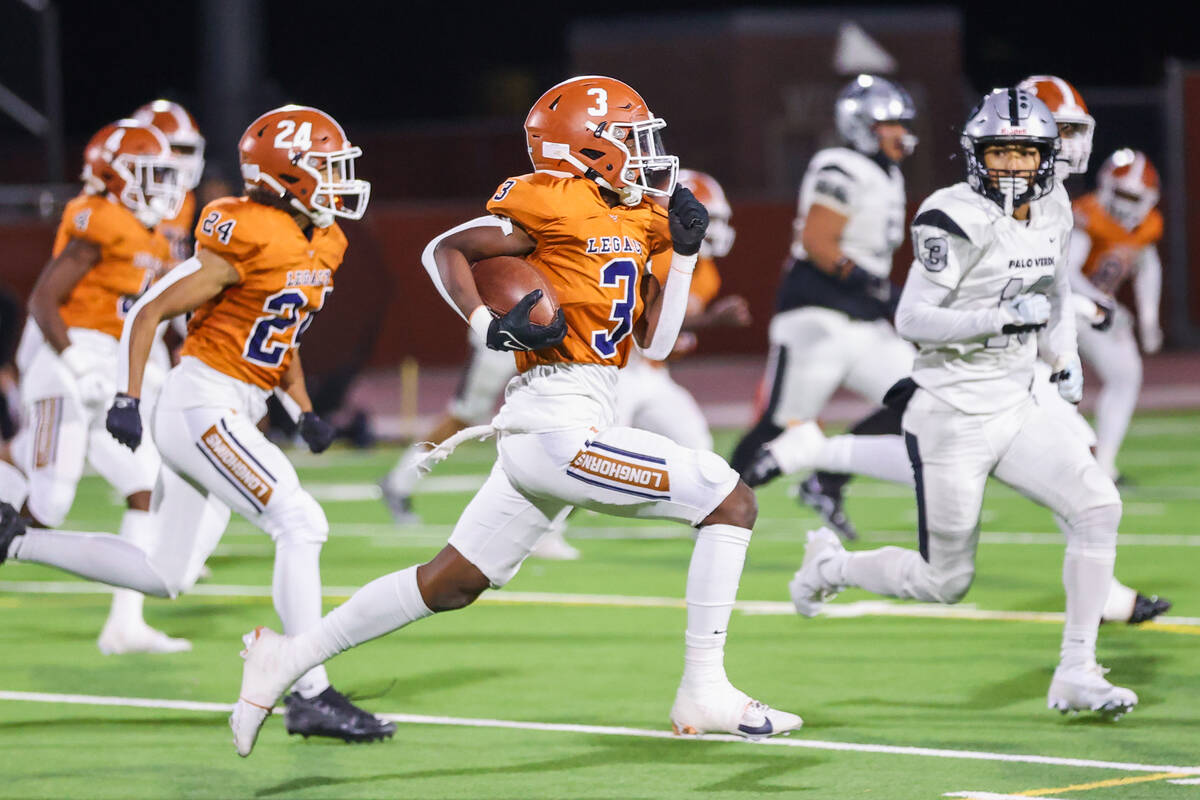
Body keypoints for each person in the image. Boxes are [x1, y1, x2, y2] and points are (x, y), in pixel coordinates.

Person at [229, 76, 801, 757]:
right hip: (557, 425)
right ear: (587, 147)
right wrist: (482, 324)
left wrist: (679, 257)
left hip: (567, 419)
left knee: (450, 581)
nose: (645, 151)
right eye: (629, 136)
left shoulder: (640, 214)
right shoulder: (549, 200)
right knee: (728, 500)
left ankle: (286, 659)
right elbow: (443, 248)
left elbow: (654, 342)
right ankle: (703, 691)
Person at [0, 105, 393, 743]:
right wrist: (127, 397)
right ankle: (309, 692)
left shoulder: (327, 239)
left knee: (166, 575)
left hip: (233, 405)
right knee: (300, 521)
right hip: (201, 403)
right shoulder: (251, 229)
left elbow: (281, 331)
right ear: (288, 173)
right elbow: (150, 309)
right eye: (325, 165)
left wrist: (302, 409)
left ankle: (15, 541)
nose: (340, 177)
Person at [790, 89, 1138, 718]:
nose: (1011, 166)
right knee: (944, 582)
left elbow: (1056, 292)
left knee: (1097, 505)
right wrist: (999, 318)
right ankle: (831, 567)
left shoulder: (1055, 205)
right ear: (976, 155)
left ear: (1045, 157)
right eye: (999, 151)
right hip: (952, 412)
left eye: (1024, 152)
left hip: (1018, 400)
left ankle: (1077, 669)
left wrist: (1066, 360)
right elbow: (912, 318)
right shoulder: (951, 215)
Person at [0, 119, 190, 654]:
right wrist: (77, 364)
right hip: (69, 367)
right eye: (148, 174)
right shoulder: (99, 216)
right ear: (115, 174)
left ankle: (125, 624)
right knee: (47, 506)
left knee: (143, 484)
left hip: (106, 371)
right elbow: (43, 300)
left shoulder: (150, 232)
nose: (160, 186)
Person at [730, 75, 918, 540]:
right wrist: (872, 283)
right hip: (818, 315)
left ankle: (826, 477)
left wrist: (877, 291)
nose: (901, 132)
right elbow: (817, 242)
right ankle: (715, 506)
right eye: (890, 122)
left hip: (865, 321)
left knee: (920, 398)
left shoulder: (888, 173)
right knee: (777, 427)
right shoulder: (839, 165)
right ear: (862, 126)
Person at [1067, 149, 1163, 480]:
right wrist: (1103, 303)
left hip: (1094, 306)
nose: (1125, 203)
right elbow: (1067, 272)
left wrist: (1149, 319)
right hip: (1060, 305)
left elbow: (1148, 266)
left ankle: (1104, 463)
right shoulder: (1087, 213)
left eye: (1133, 196)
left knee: (1126, 375)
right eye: (1121, 193)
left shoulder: (1148, 224)